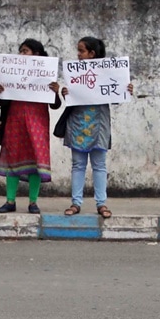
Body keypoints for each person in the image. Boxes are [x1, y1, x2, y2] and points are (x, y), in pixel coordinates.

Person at [59, 35, 130, 218]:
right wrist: (65, 92)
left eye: (81, 51)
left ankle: (101, 203)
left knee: (99, 165)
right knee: (78, 165)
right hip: (77, 123)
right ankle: (76, 202)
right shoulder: (75, 72)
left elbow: (115, 97)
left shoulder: (108, 73)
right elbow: (71, 95)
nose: (78, 55)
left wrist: (125, 90)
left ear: (92, 53)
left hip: (99, 124)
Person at [0, 38, 60, 214]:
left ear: (36, 54)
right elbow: (4, 101)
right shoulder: (13, 73)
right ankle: (10, 201)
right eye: (21, 51)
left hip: (37, 121)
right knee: (13, 157)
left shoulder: (46, 74)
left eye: (25, 51)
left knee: (36, 158)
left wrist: (56, 92)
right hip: (15, 120)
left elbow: (55, 105)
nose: (22, 54)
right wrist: (1, 91)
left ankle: (33, 202)